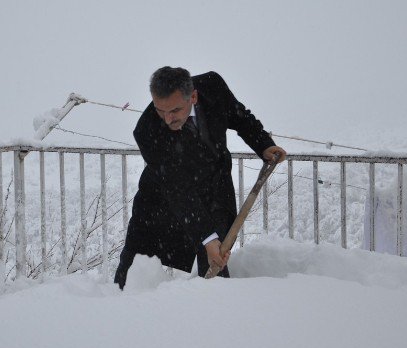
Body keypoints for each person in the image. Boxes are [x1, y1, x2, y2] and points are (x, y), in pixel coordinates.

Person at [114, 67, 286, 289]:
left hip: (214, 192)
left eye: (175, 110)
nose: (167, 119)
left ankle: (214, 317)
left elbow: (240, 116)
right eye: (160, 110)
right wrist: (206, 236)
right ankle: (122, 309)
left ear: (193, 96)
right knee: (131, 272)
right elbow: (176, 187)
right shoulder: (147, 129)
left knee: (215, 270)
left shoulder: (212, 87)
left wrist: (264, 145)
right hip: (162, 198)